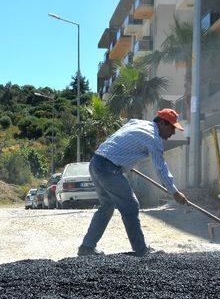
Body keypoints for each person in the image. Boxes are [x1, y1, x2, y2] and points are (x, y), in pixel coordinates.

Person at [78, 109, 188, 257]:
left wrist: (124, 161)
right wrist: (174, 192)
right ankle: (141, 250)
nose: (173, 133)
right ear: (162, 123)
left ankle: (86, 248)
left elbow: (120, 138)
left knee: (107, 206)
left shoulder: (137, 123)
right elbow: (161, 168)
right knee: (130, 205)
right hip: (109, 168)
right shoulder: (153, 139)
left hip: (97, 162)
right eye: (172, 128)